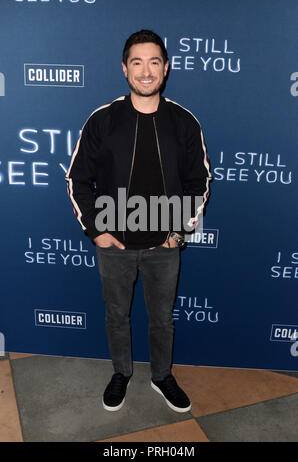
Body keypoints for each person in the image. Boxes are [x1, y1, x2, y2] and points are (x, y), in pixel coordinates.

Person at [65, 29, 212, 413]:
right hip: (115, 247)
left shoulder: (184, 122)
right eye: (137, 62)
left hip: (164, 247)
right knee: (117, 315)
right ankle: (121, 373)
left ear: (166, 68)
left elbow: (200, 181)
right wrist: (97, 230)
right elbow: (77, 179)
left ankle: (162, 375)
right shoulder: (103, 120)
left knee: (162, 319)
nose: (145, 71)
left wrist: (178, 230)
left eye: (153, 62)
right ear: (124, 69)